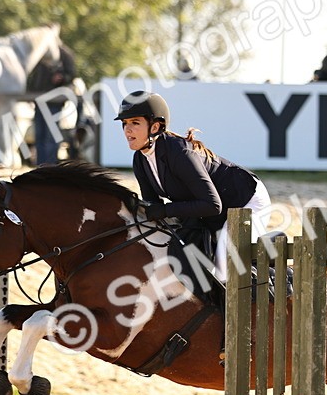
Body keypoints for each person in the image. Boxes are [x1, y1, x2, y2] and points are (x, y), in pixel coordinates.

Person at [114, 91, 271, 285]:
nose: (127, 130)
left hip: (245, 200)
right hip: (209, 211)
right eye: (124, 124)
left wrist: (164, 210)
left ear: (155, 126)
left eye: (135, 123)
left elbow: (213, 205)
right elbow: (153, 207)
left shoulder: (180, 153)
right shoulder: (140, 159)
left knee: (224, 263)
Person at [29, 41, 77, 165]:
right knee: (39, 136)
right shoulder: (38, 53)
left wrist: (62, 78)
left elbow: (71, 75)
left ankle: (49, 167)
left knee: (50, 137)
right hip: (39, 101)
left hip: (54, 102)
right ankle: (41, 166)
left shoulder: (64, 54)